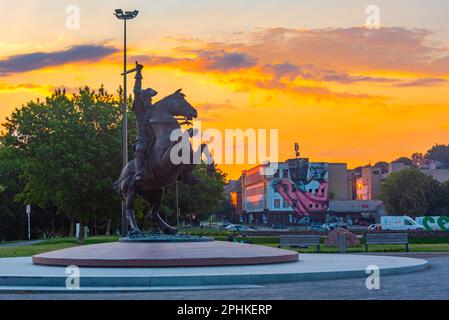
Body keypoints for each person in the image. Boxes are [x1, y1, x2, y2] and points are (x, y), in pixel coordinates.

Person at [132, 63, 158, 183]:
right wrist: (138, 73)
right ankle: (138, 173)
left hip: (155, 139)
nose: (150, 100)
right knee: (140, 150)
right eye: (147, 98)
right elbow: (137, 91)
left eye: (150, 99)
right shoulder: (139, 109)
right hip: (143, 139)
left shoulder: (154, 111)